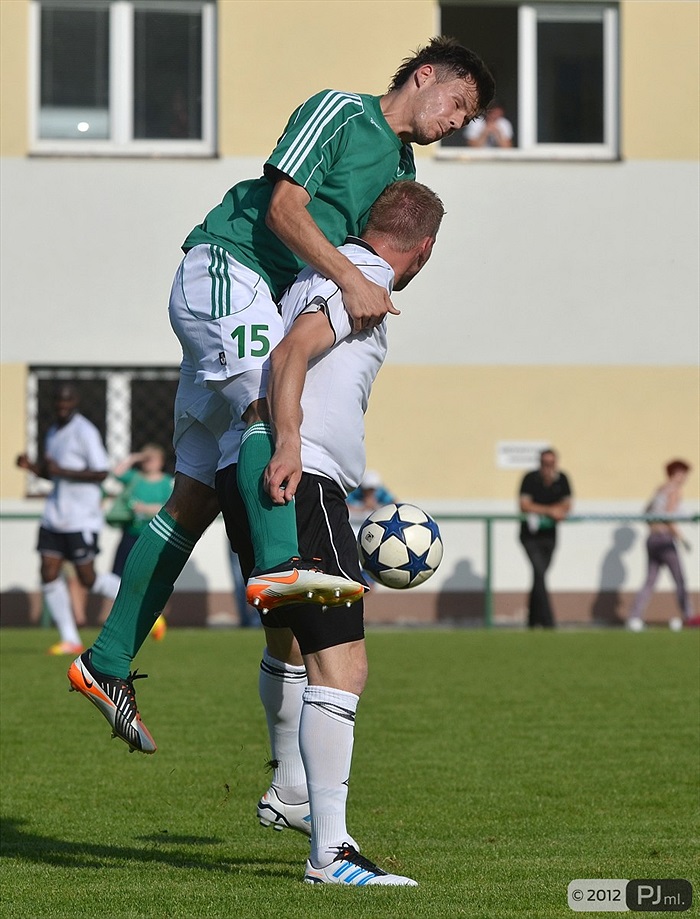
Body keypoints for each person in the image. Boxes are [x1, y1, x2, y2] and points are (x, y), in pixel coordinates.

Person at [67, 38, 494, 754]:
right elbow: (284, 211)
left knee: (194, 495)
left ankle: (106, 660)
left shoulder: (401, 168)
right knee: (269, 405)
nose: (459, 121)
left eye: (468, 116)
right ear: (424, 77)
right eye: (458, 103)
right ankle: (279, 571)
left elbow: (369, 252)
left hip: (256, 304)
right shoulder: (340, 113)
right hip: (228, 269)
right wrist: (352, 283)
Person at [216, 180, 445, 886]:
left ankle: (290, 789)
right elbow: (290, 356)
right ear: (425, 248)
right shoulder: (366, 279)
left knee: (289, 642)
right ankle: (332, 852)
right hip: (301, 476)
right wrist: (291, 441)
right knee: (342, 668)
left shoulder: (321, 267)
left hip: (253, 473)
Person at [16, 384, 121, 655]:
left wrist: (62, 470)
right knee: (48, 572)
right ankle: (70, 638)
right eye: (58, 401)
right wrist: (32, 468)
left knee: (87, 578)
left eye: (67, 400)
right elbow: (54, 474)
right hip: (54, 514)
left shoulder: (84, 432)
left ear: (75, 401)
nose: (62, 405)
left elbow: (100, 472)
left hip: (81, 516)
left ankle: (144, 605)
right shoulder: (52, 431)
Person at [109, 444, 174, 640]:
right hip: (131, 533)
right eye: (147, 459)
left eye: (153, 458)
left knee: (149, 578)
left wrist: (144, 508)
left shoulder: (166, 482)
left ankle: (151, 619)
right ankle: (131, 618)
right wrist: (135, 457)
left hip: (153, 536)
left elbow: (168, 507)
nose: (149, 462)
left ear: (161, 462)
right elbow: (116, 473)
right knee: (119, 576)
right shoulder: (135, 478)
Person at [627, 459, 696, 631]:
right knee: (679, 579)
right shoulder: (674, 491)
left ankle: (634, 617)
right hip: (665, 539)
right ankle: (689, 616)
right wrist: (683, 539)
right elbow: (669, 518)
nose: (684, 478)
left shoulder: (660, 489)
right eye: (682, 474)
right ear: (675, 473)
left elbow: (646, 512)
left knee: (649, 580)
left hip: (652, 539)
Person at [518, 448, 573, 628]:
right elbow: (525, 505)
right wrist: (549, 510)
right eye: (544, 463)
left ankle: (533, 621)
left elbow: (567, 504)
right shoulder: (530, 479)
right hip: (530, 536)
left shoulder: (562, 479)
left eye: (551, 463)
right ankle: (549, 622)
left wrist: (558, 509)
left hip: (550, 536)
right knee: (539, 573)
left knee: (539, 576)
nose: (547, 467)